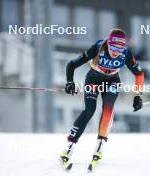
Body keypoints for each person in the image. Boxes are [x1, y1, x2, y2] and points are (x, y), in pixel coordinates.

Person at [60, 28, 145, 169]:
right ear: (108, 43)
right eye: (113, 48)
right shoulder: (98, 47)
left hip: (112, 82)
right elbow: (71, 64)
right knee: (89, 111)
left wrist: (138, 96)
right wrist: (70, 82)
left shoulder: (126, 53)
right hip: (93, 79)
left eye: (120, 49)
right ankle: (69, 146)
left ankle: (99, 146)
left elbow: (139, 74)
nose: (116, 52)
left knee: (107, 110)